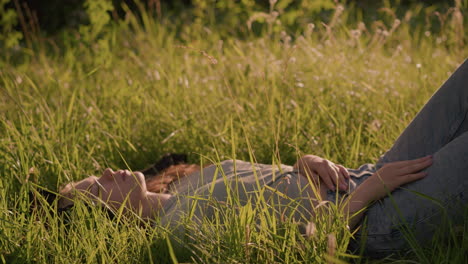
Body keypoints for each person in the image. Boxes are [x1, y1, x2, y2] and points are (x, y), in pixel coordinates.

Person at [57, 58, 468, 258]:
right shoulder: (177, 234)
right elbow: (294, 251)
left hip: (371, 174)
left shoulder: (189, 184)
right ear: (101, 220)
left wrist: (304, 162)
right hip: (377, 220)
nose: (108, 172)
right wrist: (368, 195)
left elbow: (275, 186)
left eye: (96, 174)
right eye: (97, 187)